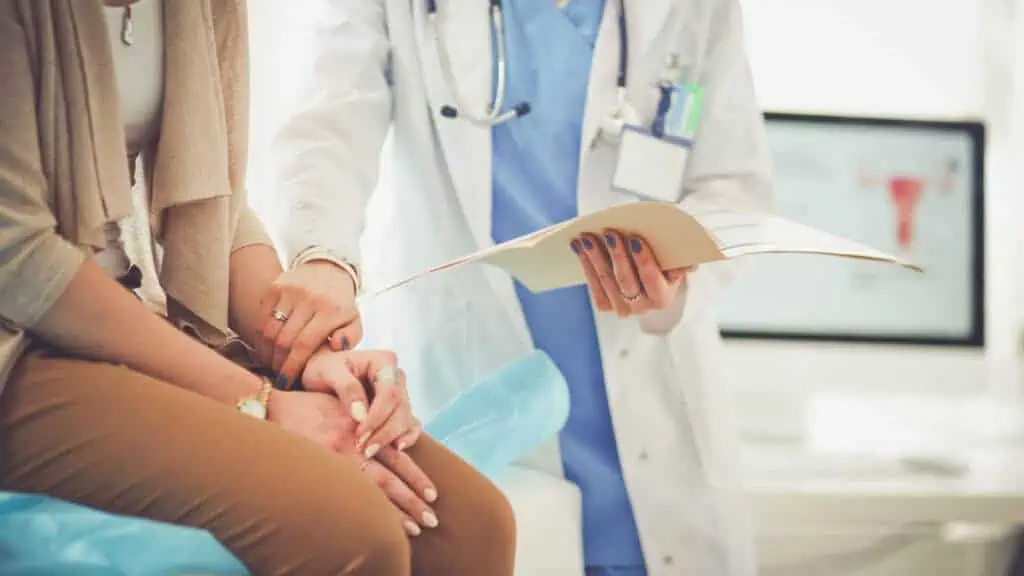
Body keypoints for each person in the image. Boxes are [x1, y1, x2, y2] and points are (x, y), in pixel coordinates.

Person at [0, 1, 515, 575]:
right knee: (346, 530)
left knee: (470, 522)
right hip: (21, 343)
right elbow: (18, 259)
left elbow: (215, 203)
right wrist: (259, 402)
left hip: (137, 308)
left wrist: (303, 352)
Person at [267, 0, 773, 574]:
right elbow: (327, 124)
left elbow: (734, 187)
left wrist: (679, 270)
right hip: (476, 373)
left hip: (653, 392)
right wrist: (323, 257)